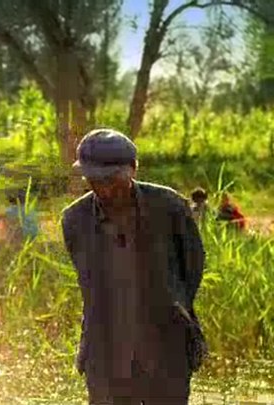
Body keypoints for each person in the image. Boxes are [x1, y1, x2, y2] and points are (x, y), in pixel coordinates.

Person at [60, 129, 207, 405]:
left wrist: (173, 305)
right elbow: (87, 283)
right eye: (94, 180)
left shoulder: (170, 207)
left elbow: (193, 266)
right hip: (105, 353)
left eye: (111, 180)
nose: (103, 189)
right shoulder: (74, 220)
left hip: (166, 350)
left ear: (134, 170)